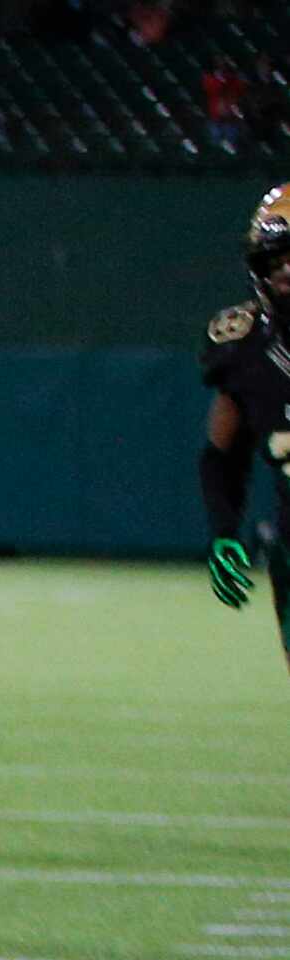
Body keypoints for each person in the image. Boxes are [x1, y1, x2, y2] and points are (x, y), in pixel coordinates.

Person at [202, 183, 290, 647]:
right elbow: (222, 454)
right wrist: (224, 530)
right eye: (276, 260)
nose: (286, 271)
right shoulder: (242, 345)